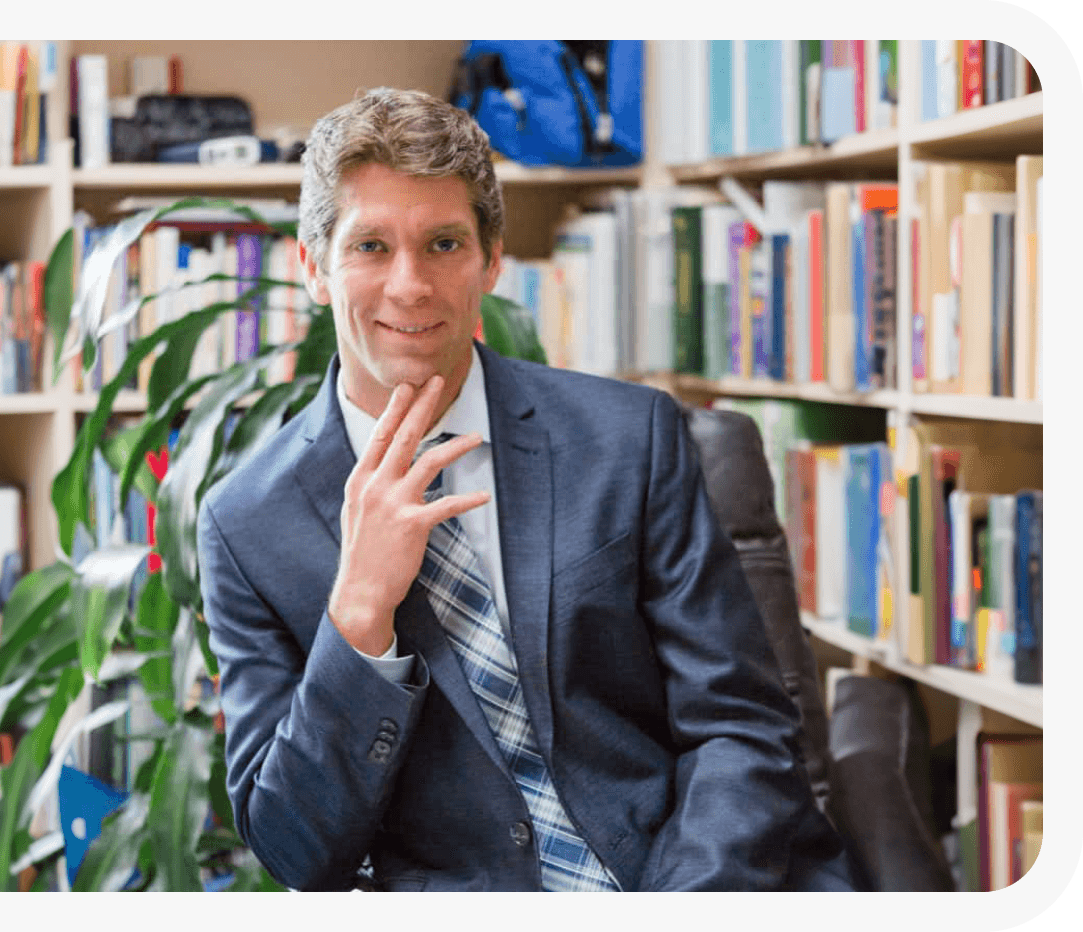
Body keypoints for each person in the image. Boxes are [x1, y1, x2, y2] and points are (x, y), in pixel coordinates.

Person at [197, 87, 854, 892]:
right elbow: (296, 849)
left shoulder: (629, 439)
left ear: (492, 259)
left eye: (443, 243)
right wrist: (359, 616)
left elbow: (739, 728)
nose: (410, 285)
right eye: (371, 247)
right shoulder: (247, 524)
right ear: (314, 269)